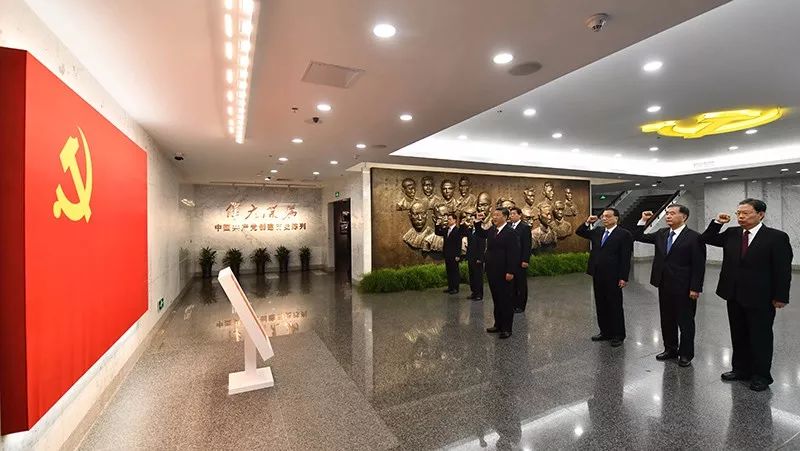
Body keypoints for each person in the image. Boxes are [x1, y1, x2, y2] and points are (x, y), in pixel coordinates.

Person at [700, 198, 793, 391]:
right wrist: (717, 223)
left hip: (761, 296)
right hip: (733, 294)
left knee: (760, 337)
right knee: (738, 334)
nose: (741, 217)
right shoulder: (732, 233)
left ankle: (761, 376)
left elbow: (783, 269)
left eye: (746, 213)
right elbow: (706, 238)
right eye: (738, 213)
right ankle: (740, 369)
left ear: (760, 214)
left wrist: (781, 296)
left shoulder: (776, 237)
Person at [634, 205, 706, 367]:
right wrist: (643, 221)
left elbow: (699, 265)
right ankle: (670, 349)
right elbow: (638, 236)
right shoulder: (662, 233)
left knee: (685, 322)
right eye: (667, 213)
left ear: (684, 217)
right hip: (664, 283)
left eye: (672, 213)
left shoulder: (694, 237)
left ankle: (686, 354)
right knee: (667, 319)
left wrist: (695, 287)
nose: (668, 216)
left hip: (684, 286)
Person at [575, 208, 633, 347]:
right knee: (601, 304)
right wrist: (587, 222)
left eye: (608, 216)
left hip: (614, 275)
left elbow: (625, 257)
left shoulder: (624, 234)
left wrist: (623, 277)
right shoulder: (598, 231)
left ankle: (618, 335)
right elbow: (580, 232)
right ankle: (605, 332)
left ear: (616, 218)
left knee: (614, 305)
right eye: (603, 216)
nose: (604, 218)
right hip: (598, 273)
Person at [474, 208, 520, 339]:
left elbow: (514, 253)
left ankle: (507, 328)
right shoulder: (493, 230)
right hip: (492, 270)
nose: (494, 217)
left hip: (504, 272)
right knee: (496, 299)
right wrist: (477, 221)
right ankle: (498, 324)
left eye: (497, 215)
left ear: (505, 217)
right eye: (493, 215)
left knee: (506, 300)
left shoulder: (511, 232)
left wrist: (510, 271)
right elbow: (481, 234)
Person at [508, 207, 532, 313]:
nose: (511, 216)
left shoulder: (524, 227)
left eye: (513, 214)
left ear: (519, 215)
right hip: (511, 260)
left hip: (520, 260)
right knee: (512, 284)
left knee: (521, 284)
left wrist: (525, 260)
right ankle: (513, 303)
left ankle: (521, 305)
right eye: (510, 214)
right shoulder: (509, 226)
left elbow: (527, 245)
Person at [435, 212, 464, 294]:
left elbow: (459, 244)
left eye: (450, 219)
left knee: (455, 272)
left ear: (454, 220)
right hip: (447, 254)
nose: (448, 220)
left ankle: (455, 288)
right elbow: (438, 232)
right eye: (448, 219)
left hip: (454, 255)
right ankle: (450, 287)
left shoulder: (457, 230)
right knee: (449, 271)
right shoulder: (447, 229)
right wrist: (437, 224)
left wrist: (458, 255)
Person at [464, 209, 487, 301]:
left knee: (478, 277)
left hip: (478, 257)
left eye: (473, 218)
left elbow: (482, 245)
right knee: (472, 276)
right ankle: (473, 292)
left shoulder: (481, 230)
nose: (471, 220)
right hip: (471, 256)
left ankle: (479, 294)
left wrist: (480, 258)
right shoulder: (470, 230)